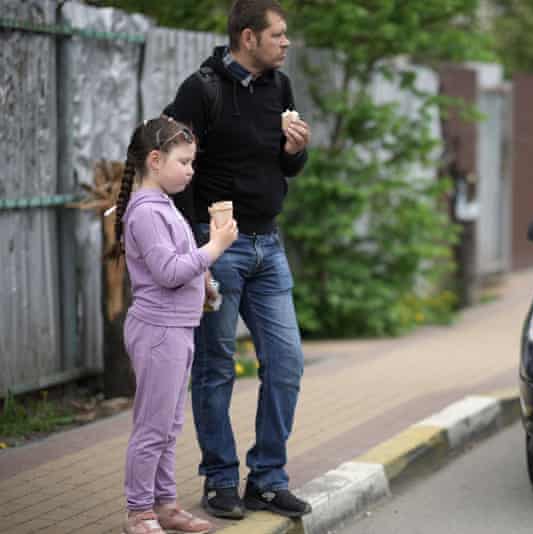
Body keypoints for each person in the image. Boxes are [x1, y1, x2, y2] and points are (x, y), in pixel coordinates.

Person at [165, 0, 313, 520]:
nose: (286, 42)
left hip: (268, 246)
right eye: (278, 35)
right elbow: (172, 171)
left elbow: (286, 167)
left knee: (288, 362)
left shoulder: (281, 88)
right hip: (217, 244)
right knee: (215, 368)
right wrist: (194, 253)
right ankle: (221, 480)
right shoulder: (200, 89)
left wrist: (296, 150)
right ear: (248, 38)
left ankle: (268, 480)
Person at [111, 116, 239, 534]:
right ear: (154, 159)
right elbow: (167, 271)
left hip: (178, 329)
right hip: (158, 331)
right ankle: (139, 511)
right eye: (184, 162)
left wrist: (207, 285)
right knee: (152, 426)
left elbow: (182, 265)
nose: (191, 170)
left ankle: (165, 504)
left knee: (169, 424)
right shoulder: (146, 212)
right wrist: (215, 247)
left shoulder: (166, 205)